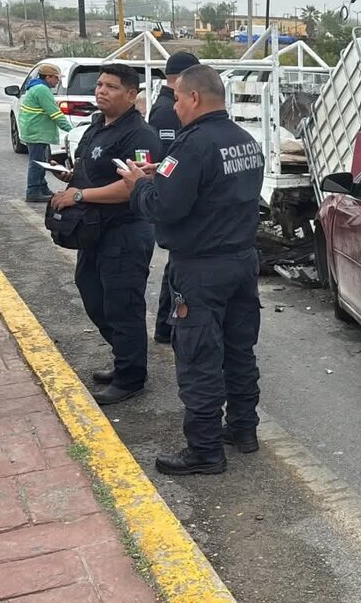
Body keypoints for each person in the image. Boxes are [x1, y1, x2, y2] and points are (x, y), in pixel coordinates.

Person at [118, 64, 262, 476]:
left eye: (178, 98)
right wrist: (158, 179)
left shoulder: (192, 146)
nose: (174, 106)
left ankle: (204, 450)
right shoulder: (246, 141)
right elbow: (209, 190)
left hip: (201, 269)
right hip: (241, 262)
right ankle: (243, 430)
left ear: (195, 98)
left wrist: (138, 186)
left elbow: (164, 206)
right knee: (239, 350)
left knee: (198, 357)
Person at [51, 63, 160, 406]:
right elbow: (92, 169)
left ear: (131, 94)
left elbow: (133, 187)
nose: (101, 91)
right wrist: (73, 178)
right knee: (92, 293)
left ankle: (131, 376)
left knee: (122, 304)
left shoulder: (140, 135)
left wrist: (80, 195)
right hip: (94, 231)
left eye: (111, 87)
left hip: (125, 231)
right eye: (99, 85)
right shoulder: (97, 127)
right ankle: (125, 357)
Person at [148, 51, 200, 345]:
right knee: (176, 268)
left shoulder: (168, 104)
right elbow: (168, 156)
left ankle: (166, 327)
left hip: (176, 193)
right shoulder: (168, 110)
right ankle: (166, 327)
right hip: (173, 196)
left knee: (175, 268)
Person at [20, 63, 73, 202]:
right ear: (48, 77)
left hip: (36, 131)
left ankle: (42, 187)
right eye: (56, 78)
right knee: (37, 162)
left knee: (42, 161)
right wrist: (72, 131)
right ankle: (33, 190)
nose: (58, 81)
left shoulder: (36, 87)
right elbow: (55, 113)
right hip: (37, 132)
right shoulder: (41, 90)